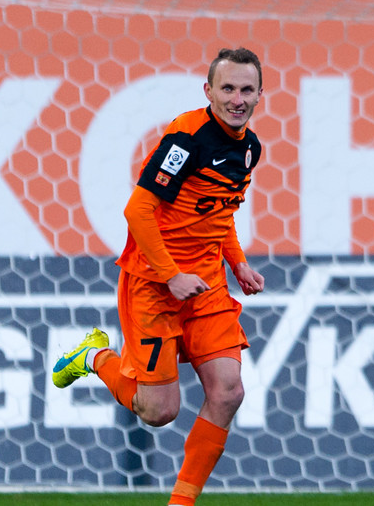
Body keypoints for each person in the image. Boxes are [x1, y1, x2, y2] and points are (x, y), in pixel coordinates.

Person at [52, 48, 266, 506]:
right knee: (158, 412)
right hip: (155, 283)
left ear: (260, 94)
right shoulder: (186, 140)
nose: (237, 99)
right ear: (208, 91)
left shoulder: (249, 149)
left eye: (246, 89)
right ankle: (95, 357)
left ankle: (181, 503)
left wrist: (238, 262)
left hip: (205, 284)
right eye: (227, 88)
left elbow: (218, 213)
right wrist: (170, 276)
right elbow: (138, 209)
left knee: (228, 392)